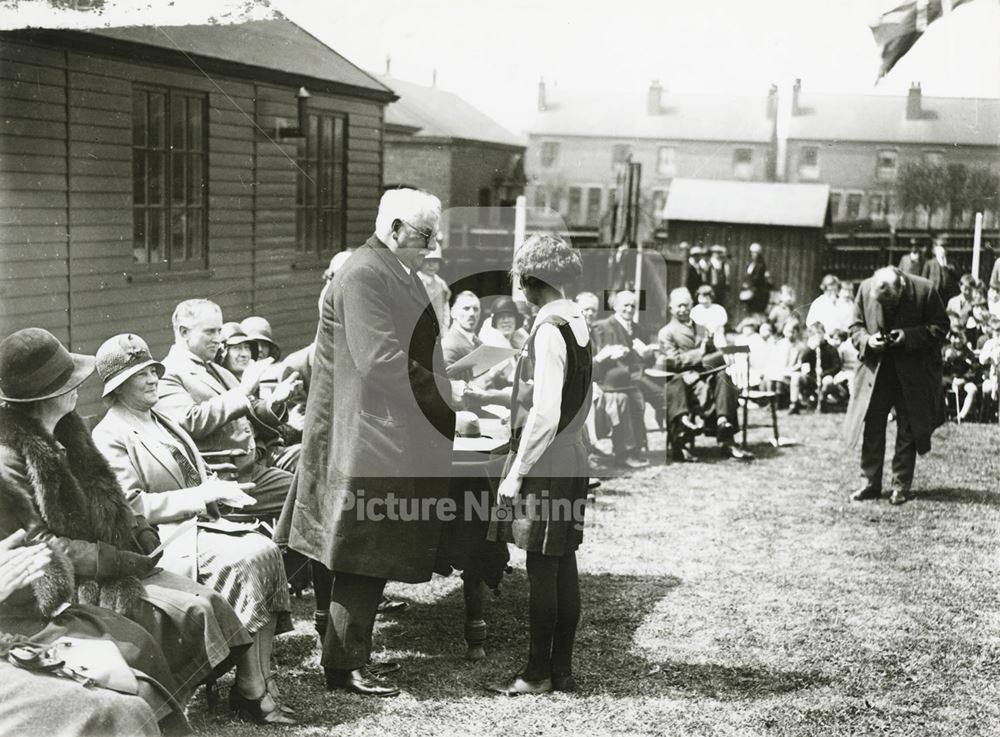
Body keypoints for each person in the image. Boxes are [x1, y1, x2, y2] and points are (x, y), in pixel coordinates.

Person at [0, 328, 251, 706]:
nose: (77, 387)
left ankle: (169, 703)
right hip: (67, 581)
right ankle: (153, 709)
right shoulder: (10, 459)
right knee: (164, 620)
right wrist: (110, 560)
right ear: (43, 397)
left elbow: (110, 497)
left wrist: (139, 529)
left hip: (110, 556)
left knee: (205, 605)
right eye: (68, 383)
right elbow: (39, 545)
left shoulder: (70, 433)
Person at [287, 188, 458, 698]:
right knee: (361, 556)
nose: (433, 245)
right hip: (365, 437)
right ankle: (344, 667)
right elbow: (382, 361)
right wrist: (446, 403)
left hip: (372, 432)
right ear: (397, 229)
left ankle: (344, 655)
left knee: (355, 551)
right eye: (427, 236)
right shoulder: (364, 273)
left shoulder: (391, 270)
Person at [91, 333, 296, 725]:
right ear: (117, 386)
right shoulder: (110, 434)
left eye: (153, 370)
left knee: (264, 548)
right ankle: (252, 689)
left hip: (202, 526)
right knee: (251, 555)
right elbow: (131, 506)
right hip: (165, 540)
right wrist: (200, 496)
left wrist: (220, 488)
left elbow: (191, 470)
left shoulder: (160, 419)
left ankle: (261, 683)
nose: (152, 379)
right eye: (140, 374)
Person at [489, 233, 591, 695]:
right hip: (570, 453)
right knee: (562, 560)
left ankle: (536, 673)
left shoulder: (550, 328)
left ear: (531, 281)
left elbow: (545, 412)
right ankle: (562, 671)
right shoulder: (577, 318)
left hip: (548, 459)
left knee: (542, 567)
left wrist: (515, 473)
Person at [0, 530, 178, 737]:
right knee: (112, 709)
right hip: (21, 617)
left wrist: (143, 530)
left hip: (42, 591)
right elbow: (42, 535)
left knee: (136, 654)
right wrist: (113, 560)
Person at [158, 300, 301, 520]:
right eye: (210, 332)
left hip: (256, 463)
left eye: (219, 330)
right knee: (307, 493)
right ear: (184, 332)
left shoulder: (215, 368)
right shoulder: (169, 374)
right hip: (226, 479)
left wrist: (274, 402)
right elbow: (190, 421)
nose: (218, 338)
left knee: (315, 470)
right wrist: (244, 389)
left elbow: (248, 409)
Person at [844, 267, 948, 505]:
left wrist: (908, 337)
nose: (888, 308)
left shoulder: (926, 291)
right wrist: (868, 340)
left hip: (911, 375)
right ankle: (869, 484)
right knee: (872, 427)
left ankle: (900, 486)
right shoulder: (865, 288)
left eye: (892, 303)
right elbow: (855, 328)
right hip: (877, 373)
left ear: (901, 285)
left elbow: (940, 326)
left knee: (908, 430)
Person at [658, 288, 746, 460]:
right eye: (679, 306)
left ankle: (724, 427)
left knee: (724, 377)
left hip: (706, 374)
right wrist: (701, 353)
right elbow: (675, 361)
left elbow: (714, 355)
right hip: (683, 379)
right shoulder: (666, 332)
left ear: (692, 305)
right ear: (671, 309)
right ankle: (685, 442)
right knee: (690, 382)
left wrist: (711, 351)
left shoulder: (702, 328)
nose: (683, 309)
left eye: (686, 305)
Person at [575, 291, 647, 469]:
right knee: (619, 397)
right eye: (585, 309)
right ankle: (599, 450)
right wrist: (601, 358)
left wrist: (606, 358)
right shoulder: (573, 332)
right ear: (576, 309)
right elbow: (577, 368)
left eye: (593, 310)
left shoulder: (593, 331)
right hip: (575, 388)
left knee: (622, 397)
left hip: (594, 384)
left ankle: (624, 452)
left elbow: (595, 370)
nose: (589, 314)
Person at [788, 322, 842, 414]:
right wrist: (811, 349)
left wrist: (824, 373)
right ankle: (794, 404)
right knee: (796, 377)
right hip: (812, 377)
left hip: (825, 376)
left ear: (824, 333)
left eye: (819, 333)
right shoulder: (810, 349)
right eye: (814, 334)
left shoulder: (830, 349)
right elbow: (803, 360)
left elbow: (837, 366)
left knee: (828, 380)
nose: (817, 336)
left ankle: (822, 402)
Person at [941, 329, 979, 422]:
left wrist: (964, 379)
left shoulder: (969, 353)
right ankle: (942, 414)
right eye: (955, 337)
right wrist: (946, 360)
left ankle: (961, 416)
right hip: (947, 379)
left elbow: (974, 369)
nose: (958, 340)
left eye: (960, 337)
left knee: (972, 389)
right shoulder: (945, 350)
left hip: (963, 380)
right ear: (951, 338)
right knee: (937, 386)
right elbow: (938, 368)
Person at [418, 244, 452, 332]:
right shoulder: (416, 281)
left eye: (435, 261)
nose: (431, 265)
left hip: (438, 330)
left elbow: (445, 309)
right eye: (427, 261)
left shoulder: (441, 284)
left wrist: (444, 330)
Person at [921, 239, 959, 304]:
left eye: (944, 247)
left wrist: (950, 268)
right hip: (935, 292)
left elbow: (958, 276)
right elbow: (923, 279)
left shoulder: (952, 262)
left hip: (949, 293)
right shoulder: (929, 263)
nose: (942, 249)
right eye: (940, 247)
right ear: (935, 250)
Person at [740, 242, 772, 316]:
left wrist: (748, 284)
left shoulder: (760, 265)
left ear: (759, 254)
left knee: (755, 311)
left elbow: (757, 278)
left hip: (757, 291)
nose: (753, 254)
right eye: (752, 253)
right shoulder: (751, 264)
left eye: (755, 253)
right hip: (751, 289)